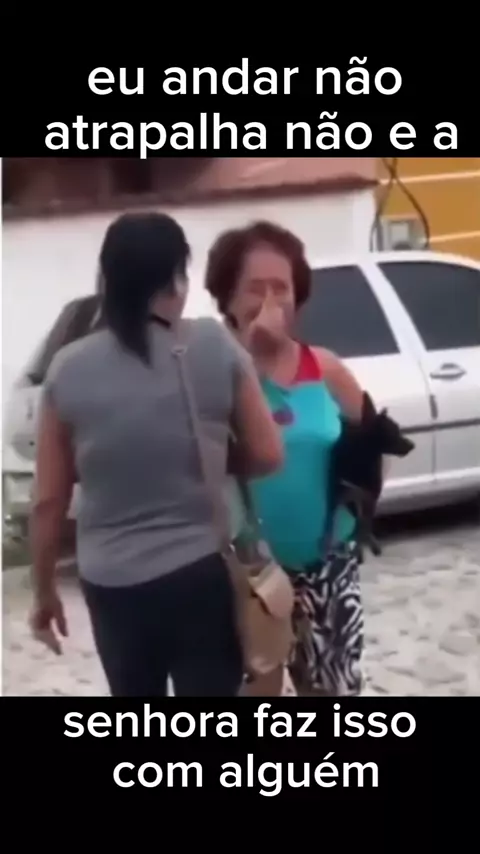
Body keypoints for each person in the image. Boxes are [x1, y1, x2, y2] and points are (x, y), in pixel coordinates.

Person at [29, 212, 283, 698]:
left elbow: (48, 501)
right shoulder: (214, 344)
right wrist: (216, 459)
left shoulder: (67, 369)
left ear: (108, 282)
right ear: (176, 278)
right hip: (201, 573)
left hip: (112, 584)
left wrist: (44, 592)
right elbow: (269, 453)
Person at [205, 220, 366, 697]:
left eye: (282, 288)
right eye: (255, 289)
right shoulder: (211, 372)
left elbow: (375, 440)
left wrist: (358, 511)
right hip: (248, 572)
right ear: (227, 297)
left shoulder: (326, 368)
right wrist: (247, 357)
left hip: (326, 565)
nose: (271, 301)